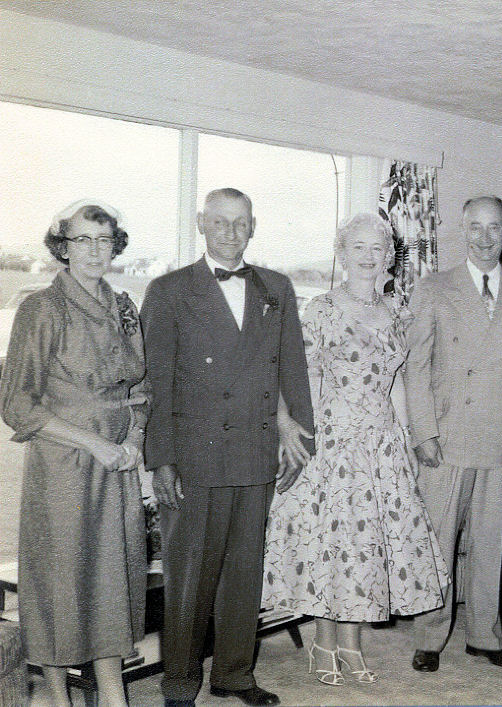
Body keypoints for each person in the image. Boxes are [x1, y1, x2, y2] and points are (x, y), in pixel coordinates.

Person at [141, 188, 314, 707]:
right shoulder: (169, 290)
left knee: (244, 574)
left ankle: (235, 675)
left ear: (252, 227)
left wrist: (299, 436)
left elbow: (292, 367)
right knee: (189, 577)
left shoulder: (276, 287)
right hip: (195, 456)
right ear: (201, 223)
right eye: (219, 222)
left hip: (256, 451)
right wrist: (162, 459)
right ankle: (179, 683)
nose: (230, 232)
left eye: (240, 223)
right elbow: (156, 383)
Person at [261, 213, 449, 685]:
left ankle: (351, 643)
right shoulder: (322, 309)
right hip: (333, 440)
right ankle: (324, 643)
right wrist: (302, 435)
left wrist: (405, 438)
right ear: (342, 254)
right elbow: (301, 377)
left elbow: (396, 382)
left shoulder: (396, 311)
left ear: (389, 257)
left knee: (365, 548)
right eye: (358, 247)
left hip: (381, 442)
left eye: (377, 248)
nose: (368, 256)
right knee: (334, 544)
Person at [0, 200, 147, 707]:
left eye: (104, 240)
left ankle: (112, 693)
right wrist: (96, 444)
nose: (94, 251)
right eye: (82, 240)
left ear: (115, 247)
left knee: (112, 578)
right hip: (64, 464)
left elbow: (141, 388)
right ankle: (58, 695)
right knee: (60, 579)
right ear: (62, 247)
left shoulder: (124, 307)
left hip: (117, 464)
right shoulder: (42, 308)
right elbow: (17, 403)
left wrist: (132, 441)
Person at [404, 196, 502, 672]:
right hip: (446, 437)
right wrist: (423, 432)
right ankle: (429, 636)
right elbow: (416, 366)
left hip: (501, 437)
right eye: (475, 228)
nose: (485, 238)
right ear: (462, 231)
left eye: (493, 228)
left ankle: (484, 635)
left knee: (490, 541)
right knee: (438, 539)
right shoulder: (433, 287)